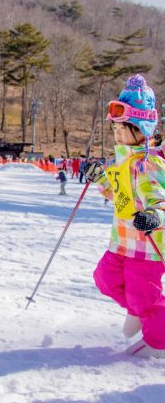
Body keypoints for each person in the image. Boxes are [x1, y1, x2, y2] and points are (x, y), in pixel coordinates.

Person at [84, 74, 165, 359]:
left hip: (146, 247)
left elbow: (160, 200)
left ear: (142, 129)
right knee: (105, 278)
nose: (117, 134)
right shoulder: (125, 160)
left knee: (144, 296)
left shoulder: (148, 163)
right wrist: (100, 179)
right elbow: (119, 196)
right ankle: (139, 310)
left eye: (124, 128)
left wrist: (154, 216)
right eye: (115, 128)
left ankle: (159, 340)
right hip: (121, 242)